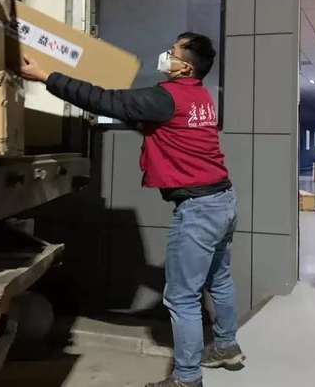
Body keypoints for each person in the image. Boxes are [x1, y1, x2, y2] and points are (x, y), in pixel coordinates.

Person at [20, 32, 245, 387]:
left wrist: (47, 76)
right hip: (223, 201)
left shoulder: (166, 97)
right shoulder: (199, 96)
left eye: (172, 51)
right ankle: (226, 346)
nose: (166, 54)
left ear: (185, 67)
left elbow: (105, 101)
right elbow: (165, 129)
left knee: (182, 298)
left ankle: (187, 378)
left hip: (199, 209)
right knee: (219, 279)